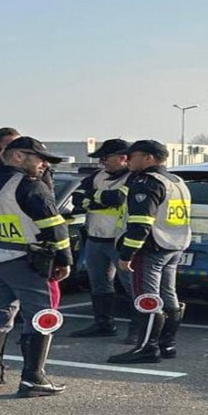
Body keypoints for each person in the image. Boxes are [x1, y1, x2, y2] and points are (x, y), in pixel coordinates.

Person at [0, 136, 73, 395]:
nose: (43, 165)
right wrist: (64, 260)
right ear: (17, 156)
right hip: (28, 260)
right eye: (39, 158)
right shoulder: (30, 186)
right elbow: (55, 227)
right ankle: (33, 378)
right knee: (41, 317)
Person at [108, 140, 192, 365]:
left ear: (149, 158)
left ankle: (146, 347)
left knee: (147, 298)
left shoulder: (146, 182)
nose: (128, 160)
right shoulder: (176, 181)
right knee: (168, 295)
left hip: (151, 248)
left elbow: (141, 223)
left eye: (132, 156)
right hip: (174, 245)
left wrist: (126, 255)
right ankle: (167, 344)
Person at [67, 138, 133, 337]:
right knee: (99, 284)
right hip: (95, 239)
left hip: (121, 241)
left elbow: (120, 199)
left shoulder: (135, 177)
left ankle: (138, 329)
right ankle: (103, 324)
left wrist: (93, 198)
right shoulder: (96, 176)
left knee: (133, 286)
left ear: (123, 157)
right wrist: (102, 199)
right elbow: (77, 200)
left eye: (105, 157)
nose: (102, 162)